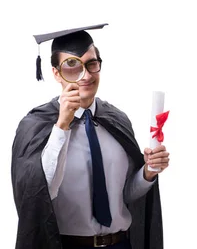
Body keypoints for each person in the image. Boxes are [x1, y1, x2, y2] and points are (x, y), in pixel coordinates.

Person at [11, 23, 169, 249]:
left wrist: (148, 172)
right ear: (56, 72)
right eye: (72, 65)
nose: (85, 75)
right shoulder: (36, 125)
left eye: (91, 64)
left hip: (121, 244)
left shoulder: (116, 119)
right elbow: (39, 196)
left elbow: (125, 195)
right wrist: (62, 125)